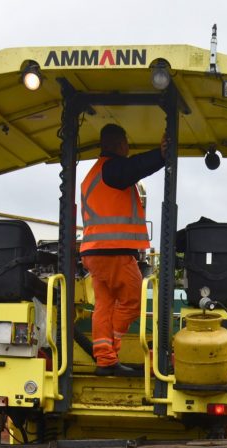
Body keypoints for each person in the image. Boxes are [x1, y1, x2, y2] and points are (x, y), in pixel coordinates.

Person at [80, 123, 167, 377]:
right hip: (113, 251)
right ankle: (111, 348)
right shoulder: (112, 169)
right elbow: (135, 167)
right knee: (133, 300)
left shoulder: (93, 176)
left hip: (94, 253)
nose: (128, 148)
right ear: (119, 145)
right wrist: (160, 155)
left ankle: (105, 359)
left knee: (104, 306)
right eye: (126, 143)